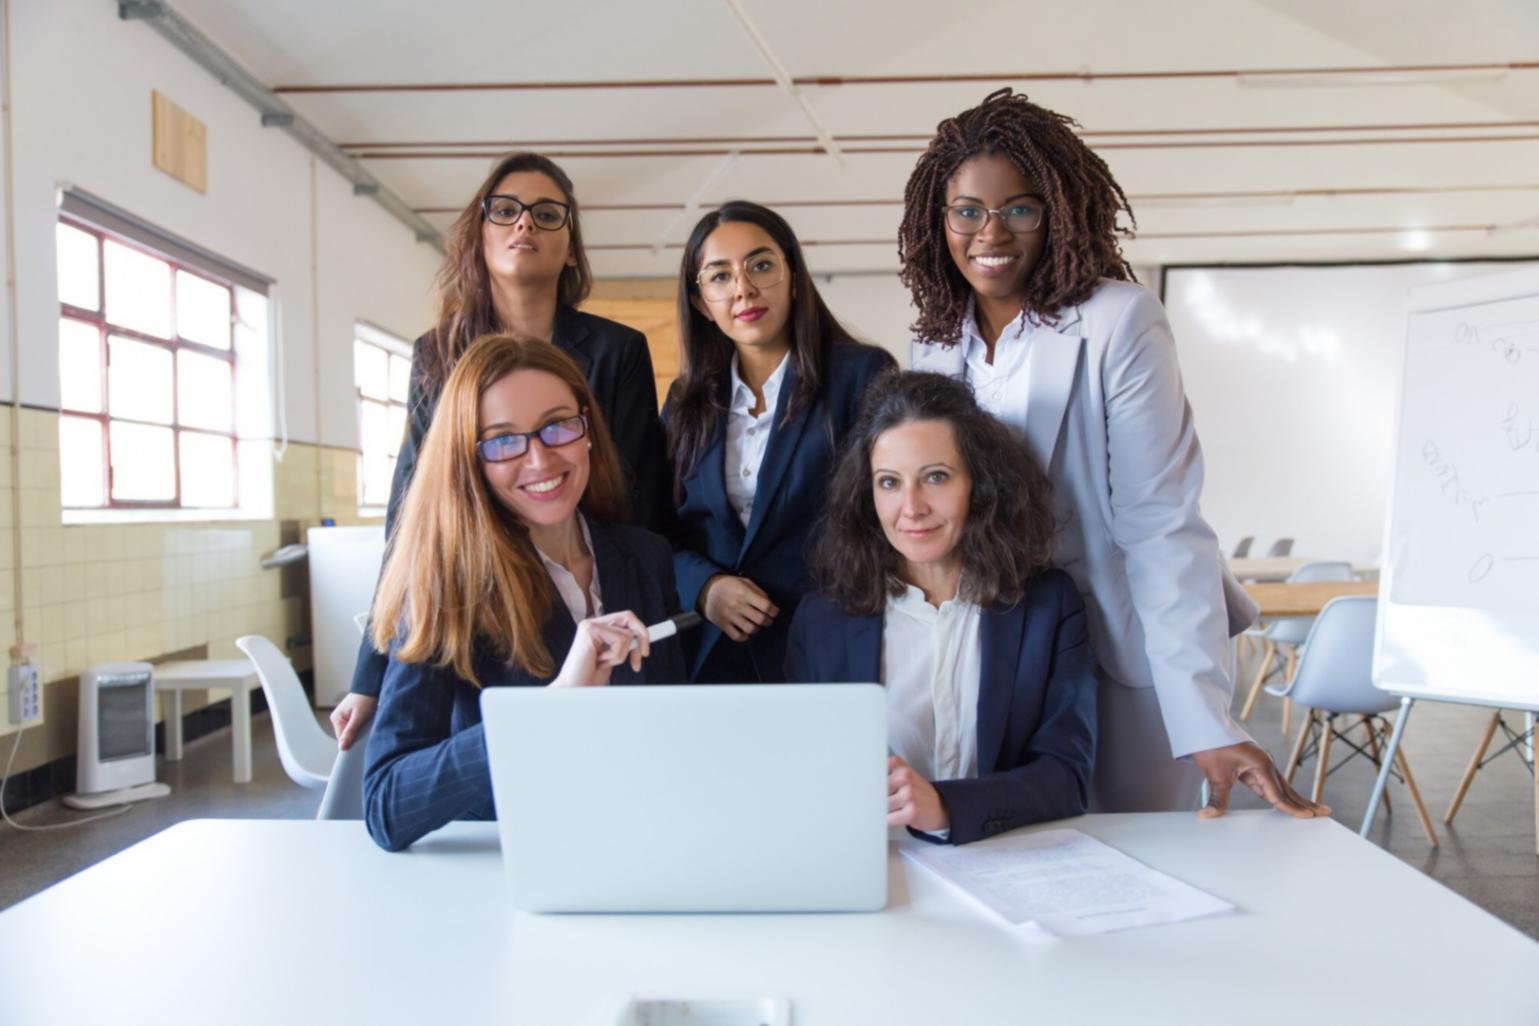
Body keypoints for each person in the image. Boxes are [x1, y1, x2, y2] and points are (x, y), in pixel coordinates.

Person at [900, 88, 1326, 818]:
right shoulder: (934, 345)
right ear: (938, 221)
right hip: (996, 650)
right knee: (1013, 855)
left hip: (1117, 648)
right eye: (966, 211)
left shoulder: (1118, 321)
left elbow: (1158, 522)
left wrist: (1201, 715)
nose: (988, 232)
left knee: (1139, 861)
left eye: (1019, 208)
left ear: (1059, 211)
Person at [333, 152, 670, 749]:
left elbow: (639, 494)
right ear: (480, 237)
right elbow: (408, 515)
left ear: (571, 247)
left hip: (594, 589)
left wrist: (627, 604)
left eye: (546, 215)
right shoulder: (438, 354)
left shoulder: (618, 350)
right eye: (506, 211)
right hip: (482, 589)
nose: (525, 226)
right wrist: (372, 671)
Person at [363, 334, 686, 852]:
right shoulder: (445, 585)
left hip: (640, 846)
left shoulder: (646, 556)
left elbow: (672, 731)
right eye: (503, 441)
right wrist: (549, 709)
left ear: (587, 431)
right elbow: (386, 805)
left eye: (557, 426)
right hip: (510, 864)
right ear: (470, 462)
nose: (539, 460)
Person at [786, 371, 1095, 843]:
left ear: (980, 483)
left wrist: (946, 807)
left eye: (935, 477)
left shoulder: (1049, 605)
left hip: (1006, 859)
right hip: (873, 864)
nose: (911, 507)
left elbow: (1067, 776)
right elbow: (801, 773)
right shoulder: (822, 619)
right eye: (889, 482)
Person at [664, 201, 895, 682]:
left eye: (761, 265)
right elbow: (656, 528)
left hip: (829, 645)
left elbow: (881, 521)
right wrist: (704, 587)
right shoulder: (685, 401)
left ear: (792, 274)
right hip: (712, 655)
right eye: (720, 277)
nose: (744, 288)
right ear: (700, 302)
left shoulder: (861, 375)